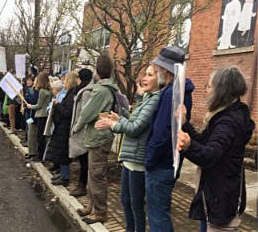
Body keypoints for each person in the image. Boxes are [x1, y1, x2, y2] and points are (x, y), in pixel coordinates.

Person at [178, 66, 253, 232]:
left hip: (221, 198)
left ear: (221, 91)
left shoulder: (228, 122)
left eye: (209, 86)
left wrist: (188, 147)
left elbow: (209, 155)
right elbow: (205, 142)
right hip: (214, 195)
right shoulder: (221, 116)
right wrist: (185, 125)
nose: (206, 90)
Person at [96, 64, 162, 232]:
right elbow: (133, 121)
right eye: (145, 74)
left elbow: (135, 128)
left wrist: (114, 124)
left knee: (136, 204)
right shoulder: (147, 98)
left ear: (160, 78)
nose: (144, 78)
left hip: (137, 160)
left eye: (150, 75)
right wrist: (121, 117)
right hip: (130, 158)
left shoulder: (155, 99)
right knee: (126, 200)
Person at [142, 46, 192, 232]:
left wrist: (149, 161)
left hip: (161, 164)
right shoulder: (179, 91)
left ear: (166, 70)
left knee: (157, 216)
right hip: (169, 162)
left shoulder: (171, 94)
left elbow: (162, 134)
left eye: (158, 68)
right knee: (160, 212)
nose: (157, 71)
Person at [73, 54, 124, 224]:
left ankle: (100, 212)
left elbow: (87, 113)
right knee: (92, 173)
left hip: (99, 138)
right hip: (97, 137)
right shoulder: (106, 88)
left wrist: (76, 127)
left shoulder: (101, 90)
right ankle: (91, 206)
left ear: (98, 70)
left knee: (97, 175)